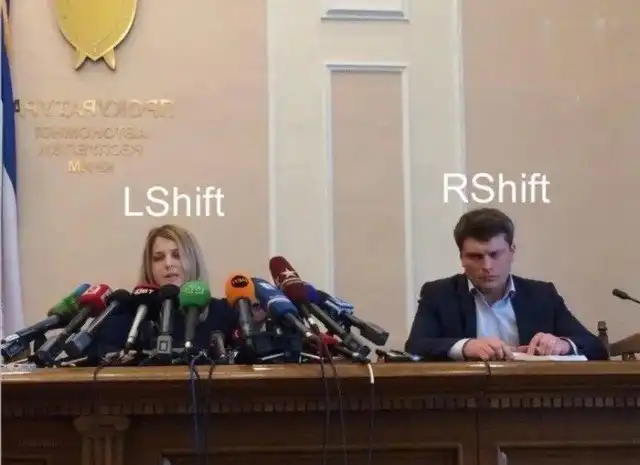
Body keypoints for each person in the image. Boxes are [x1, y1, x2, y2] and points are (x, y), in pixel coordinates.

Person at [404, 208, 608, 361]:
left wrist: (563, 345)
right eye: (475, 257)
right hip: (463, 398)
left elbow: (595, 347)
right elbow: (415, 347)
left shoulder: (542, 295)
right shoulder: (439, 294)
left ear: (512, 251)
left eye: (495, 254)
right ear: (461, 258)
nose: (487, 266)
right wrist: (465, 347)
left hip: (532, 397)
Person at [90, 224, 267, 362]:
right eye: (158, 258)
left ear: (193, 260)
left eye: (176, 255)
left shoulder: (221, 312)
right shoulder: (131, 315)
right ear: (149, 267)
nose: (168, 264)